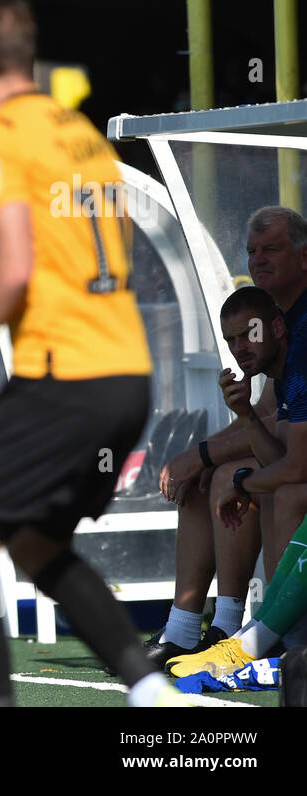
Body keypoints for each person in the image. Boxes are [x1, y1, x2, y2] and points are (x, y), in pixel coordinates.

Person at [0, 0, 180, 707]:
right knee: (32, 544)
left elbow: (14, 265)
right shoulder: (82, 134)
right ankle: (152, 690)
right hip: (124, 373)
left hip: (62, 375)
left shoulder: (0, 134)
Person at [151, 207, 307, 668]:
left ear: (304, 256)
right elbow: (269, 417)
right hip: (294, 452)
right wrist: (202, 457)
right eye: (252, 251)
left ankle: (273, 637)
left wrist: (206, 459)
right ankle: (197, 627)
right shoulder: (282, 316)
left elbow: (291, 454)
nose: (258, 259)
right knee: (213, 477)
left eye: (271, 249)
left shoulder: (300, 325)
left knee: (268, 484)